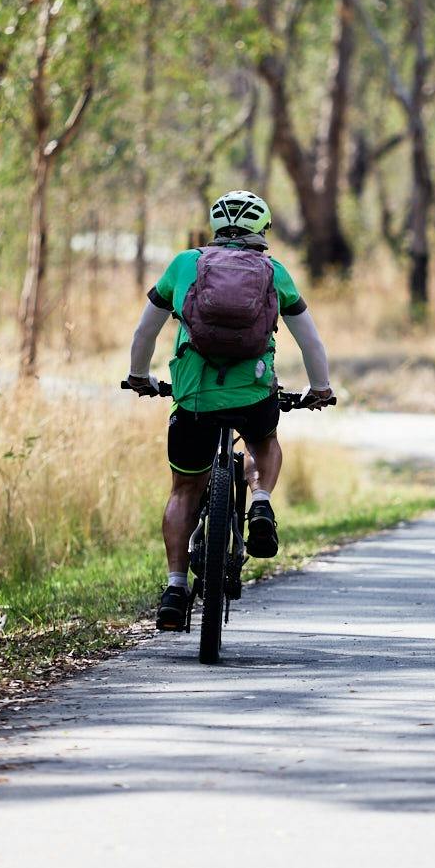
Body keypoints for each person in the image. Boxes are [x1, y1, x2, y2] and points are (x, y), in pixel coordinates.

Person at [123, 190, 334, 631]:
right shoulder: (273, 271)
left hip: (193, 396)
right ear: (263, 230)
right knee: (264, 441)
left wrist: (139, 376)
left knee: (184, 489)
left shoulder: (184, 264)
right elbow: (310, 340)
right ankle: (260, 501)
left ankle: (176, 587)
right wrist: (319, 388)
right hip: (253, 392)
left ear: (216, 227)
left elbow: (145, 331)